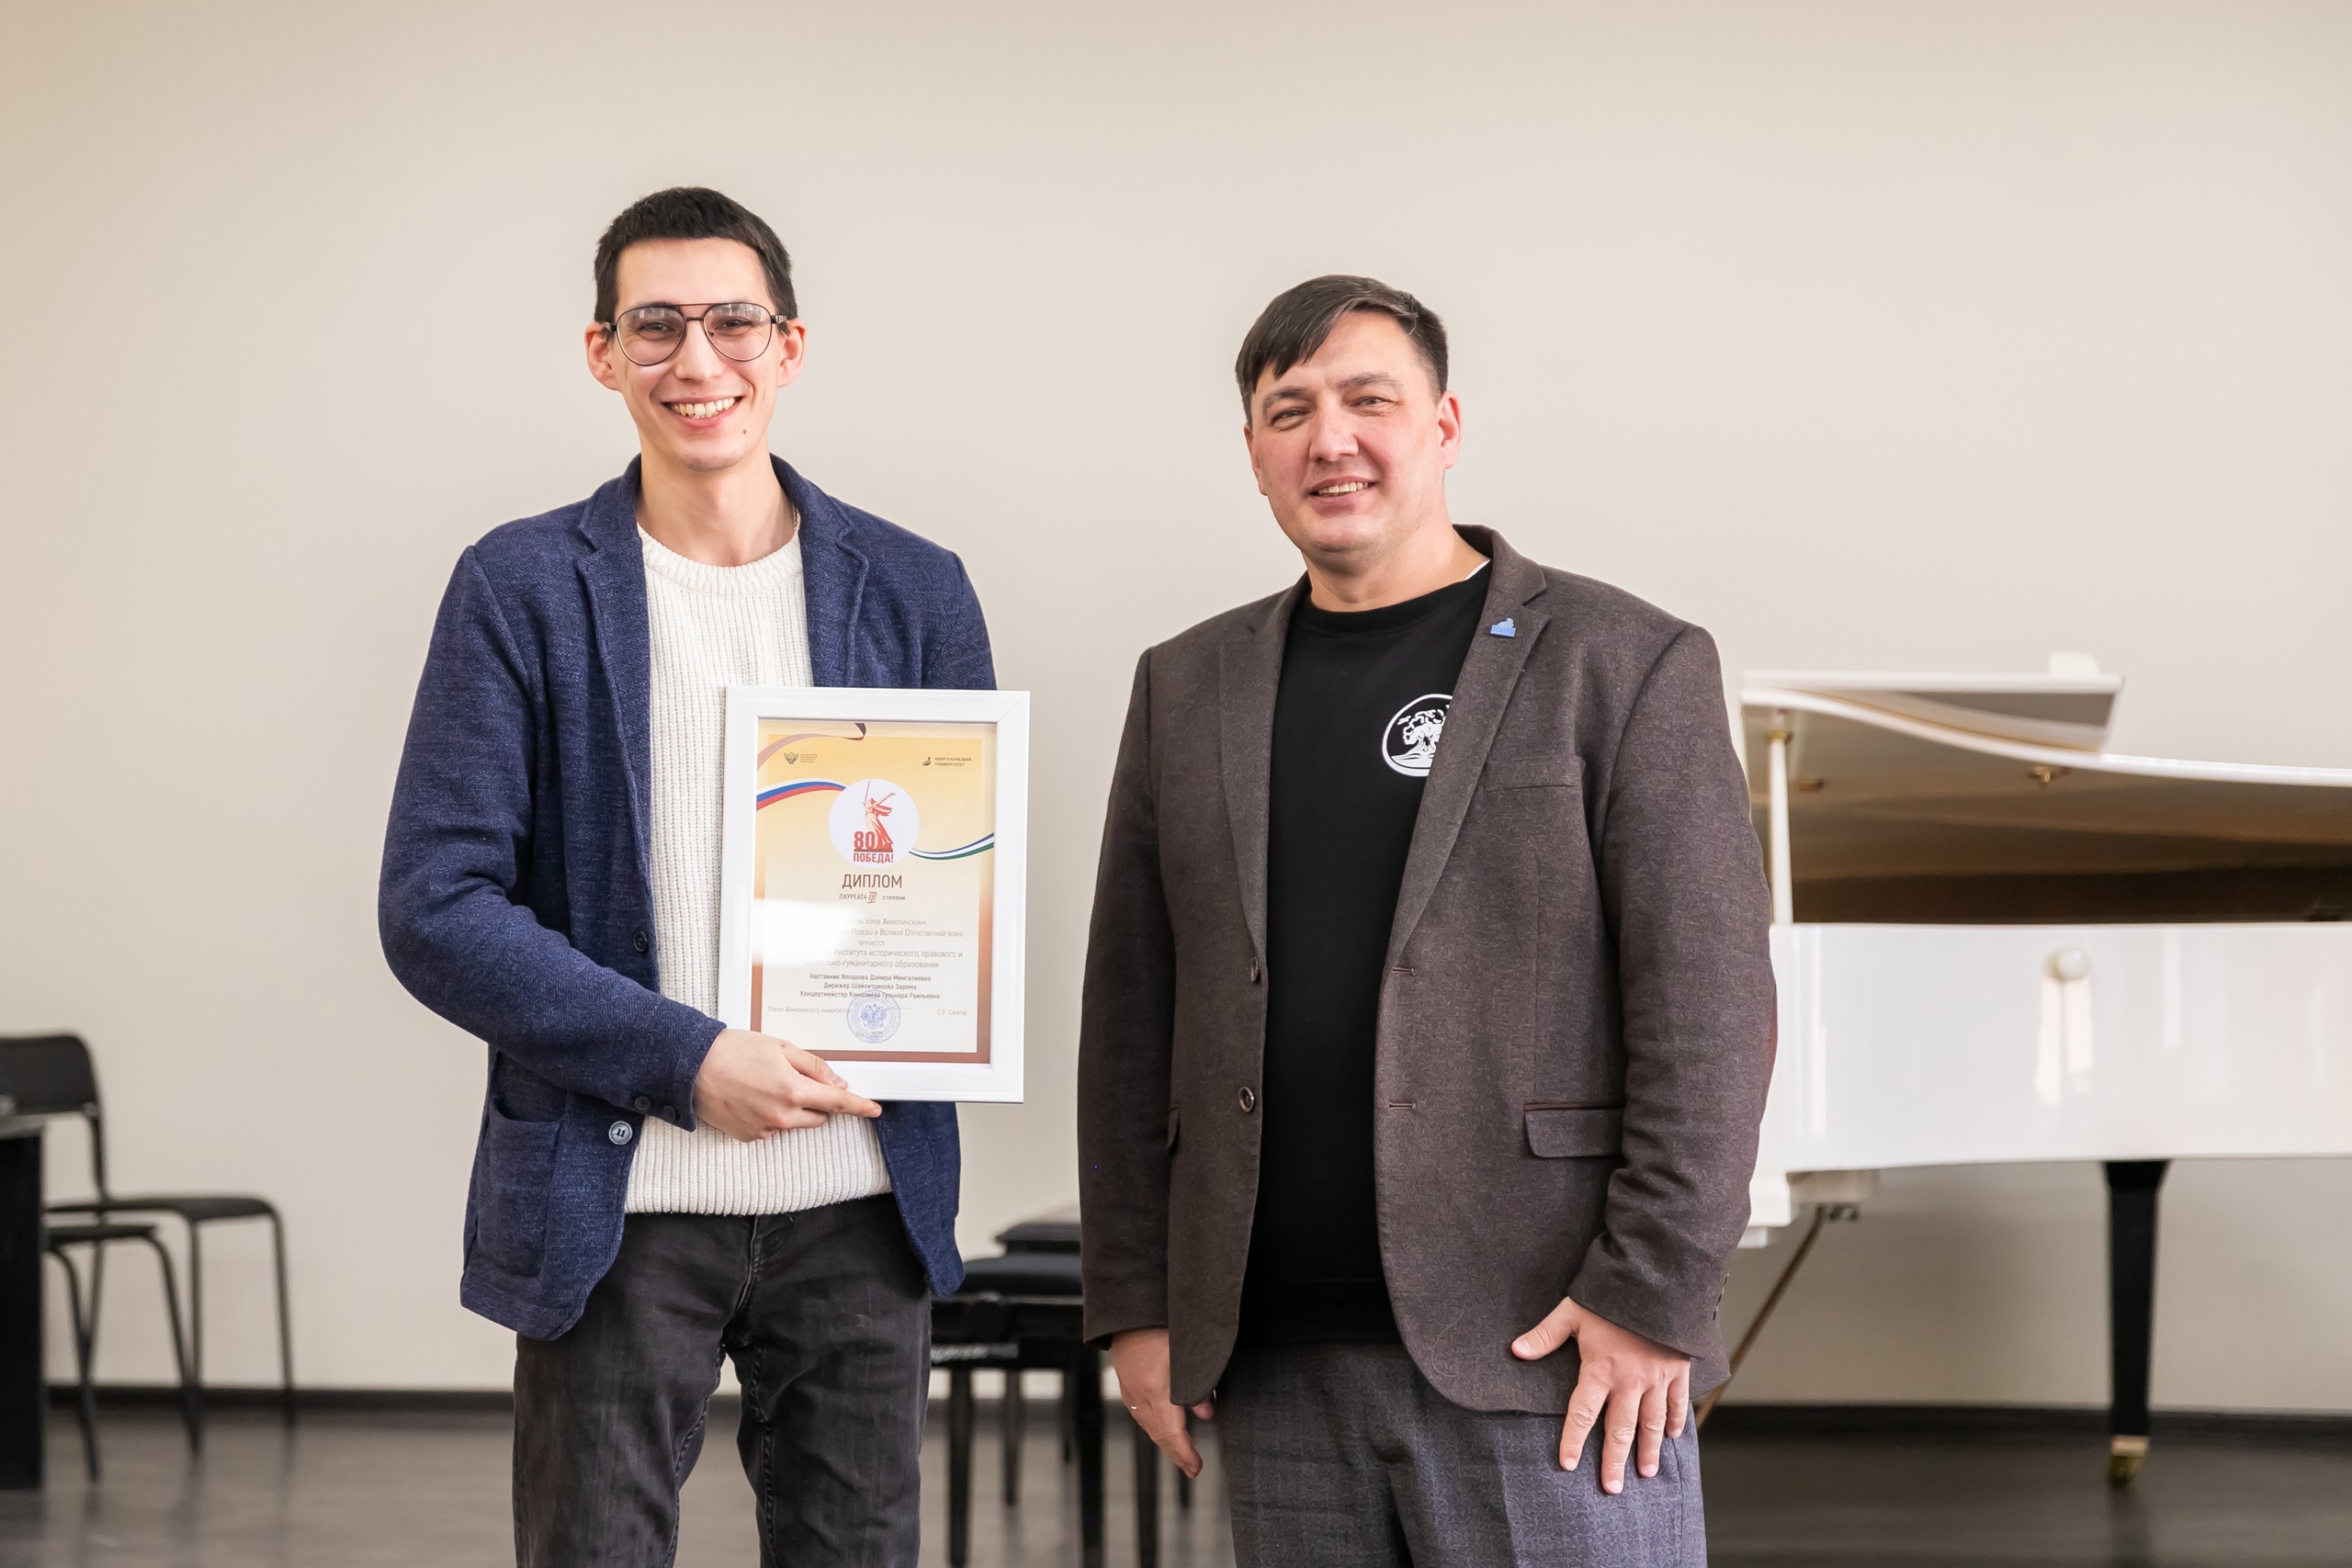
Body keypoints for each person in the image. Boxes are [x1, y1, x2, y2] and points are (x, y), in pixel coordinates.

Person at [1076, 276, 1774, 1565]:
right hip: (1273, 1357)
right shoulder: (1187, 685)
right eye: (1290, 410)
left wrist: (1650, 1294)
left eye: (1369, 400)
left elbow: (1712, 1011)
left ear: (1444, 425)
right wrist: (1138, 1301)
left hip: (1552, 1352)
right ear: (1253, 452)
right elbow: (1131, 1017)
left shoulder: (1625, 663)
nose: (1330, 439)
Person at [379, 186, 991, 1568]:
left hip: (861, 1198)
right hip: (619, 1205)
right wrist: (688, 1059)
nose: (697, 360)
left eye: (733, 322)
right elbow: (435, 906)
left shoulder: (916, 589)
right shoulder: (520, 585)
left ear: (790, 346)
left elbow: (951, 877)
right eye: (655, 325)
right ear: (602, 353)